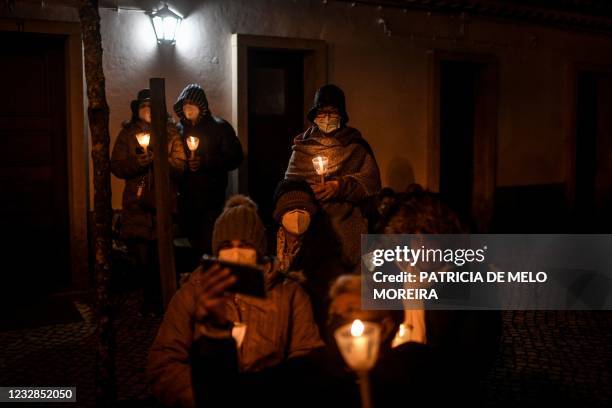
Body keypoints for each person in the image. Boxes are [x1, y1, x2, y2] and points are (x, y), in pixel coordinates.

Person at [147, 195, 324, 408]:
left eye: (245, 244)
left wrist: (264, 393)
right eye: (227, 245)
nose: (236, 251)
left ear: (259, 250)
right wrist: (203, 395)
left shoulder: (290, 294)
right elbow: (164, 361)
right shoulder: (192, 293)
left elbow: (307, 355)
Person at [285, 84, 381, 267]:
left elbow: (371, 182)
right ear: (315, 115)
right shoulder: (303, 145)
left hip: (347, 220)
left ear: (341, 114)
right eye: (322, 112)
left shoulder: (354, 145)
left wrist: (340, 186)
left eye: (333, 111)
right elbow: (289, 184)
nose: (327, 117)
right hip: (310, 217)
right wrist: (303, 197)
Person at [111, 88, 186, 315]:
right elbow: (117, 165)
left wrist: (160, 161)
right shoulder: (128, 134)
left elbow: (180, 166)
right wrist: (138, 162)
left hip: (163, 205)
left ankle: (164, 301)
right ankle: (146, 301)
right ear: (137, 110)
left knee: (161, 258)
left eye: (152, 107)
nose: (148, 111)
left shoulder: (171, 133)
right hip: (137, 205)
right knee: (142, 259)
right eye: (144, 107)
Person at [173, 83, 243, 259]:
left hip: (211, 197)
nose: (187, 107)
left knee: (208, 243)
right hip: (185, 198)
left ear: (201, 105)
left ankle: (208, 277)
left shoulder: (220, 127)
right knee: (189, 244)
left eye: (191, 102)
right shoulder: (178, 130)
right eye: (184, 103)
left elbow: (235, 157)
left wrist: (204, 162)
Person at [272, 178, 348, 333]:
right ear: (280, 216)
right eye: (290, 209)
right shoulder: (266, 243)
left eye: (302, 208)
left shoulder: (325, 250)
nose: (297, 214)